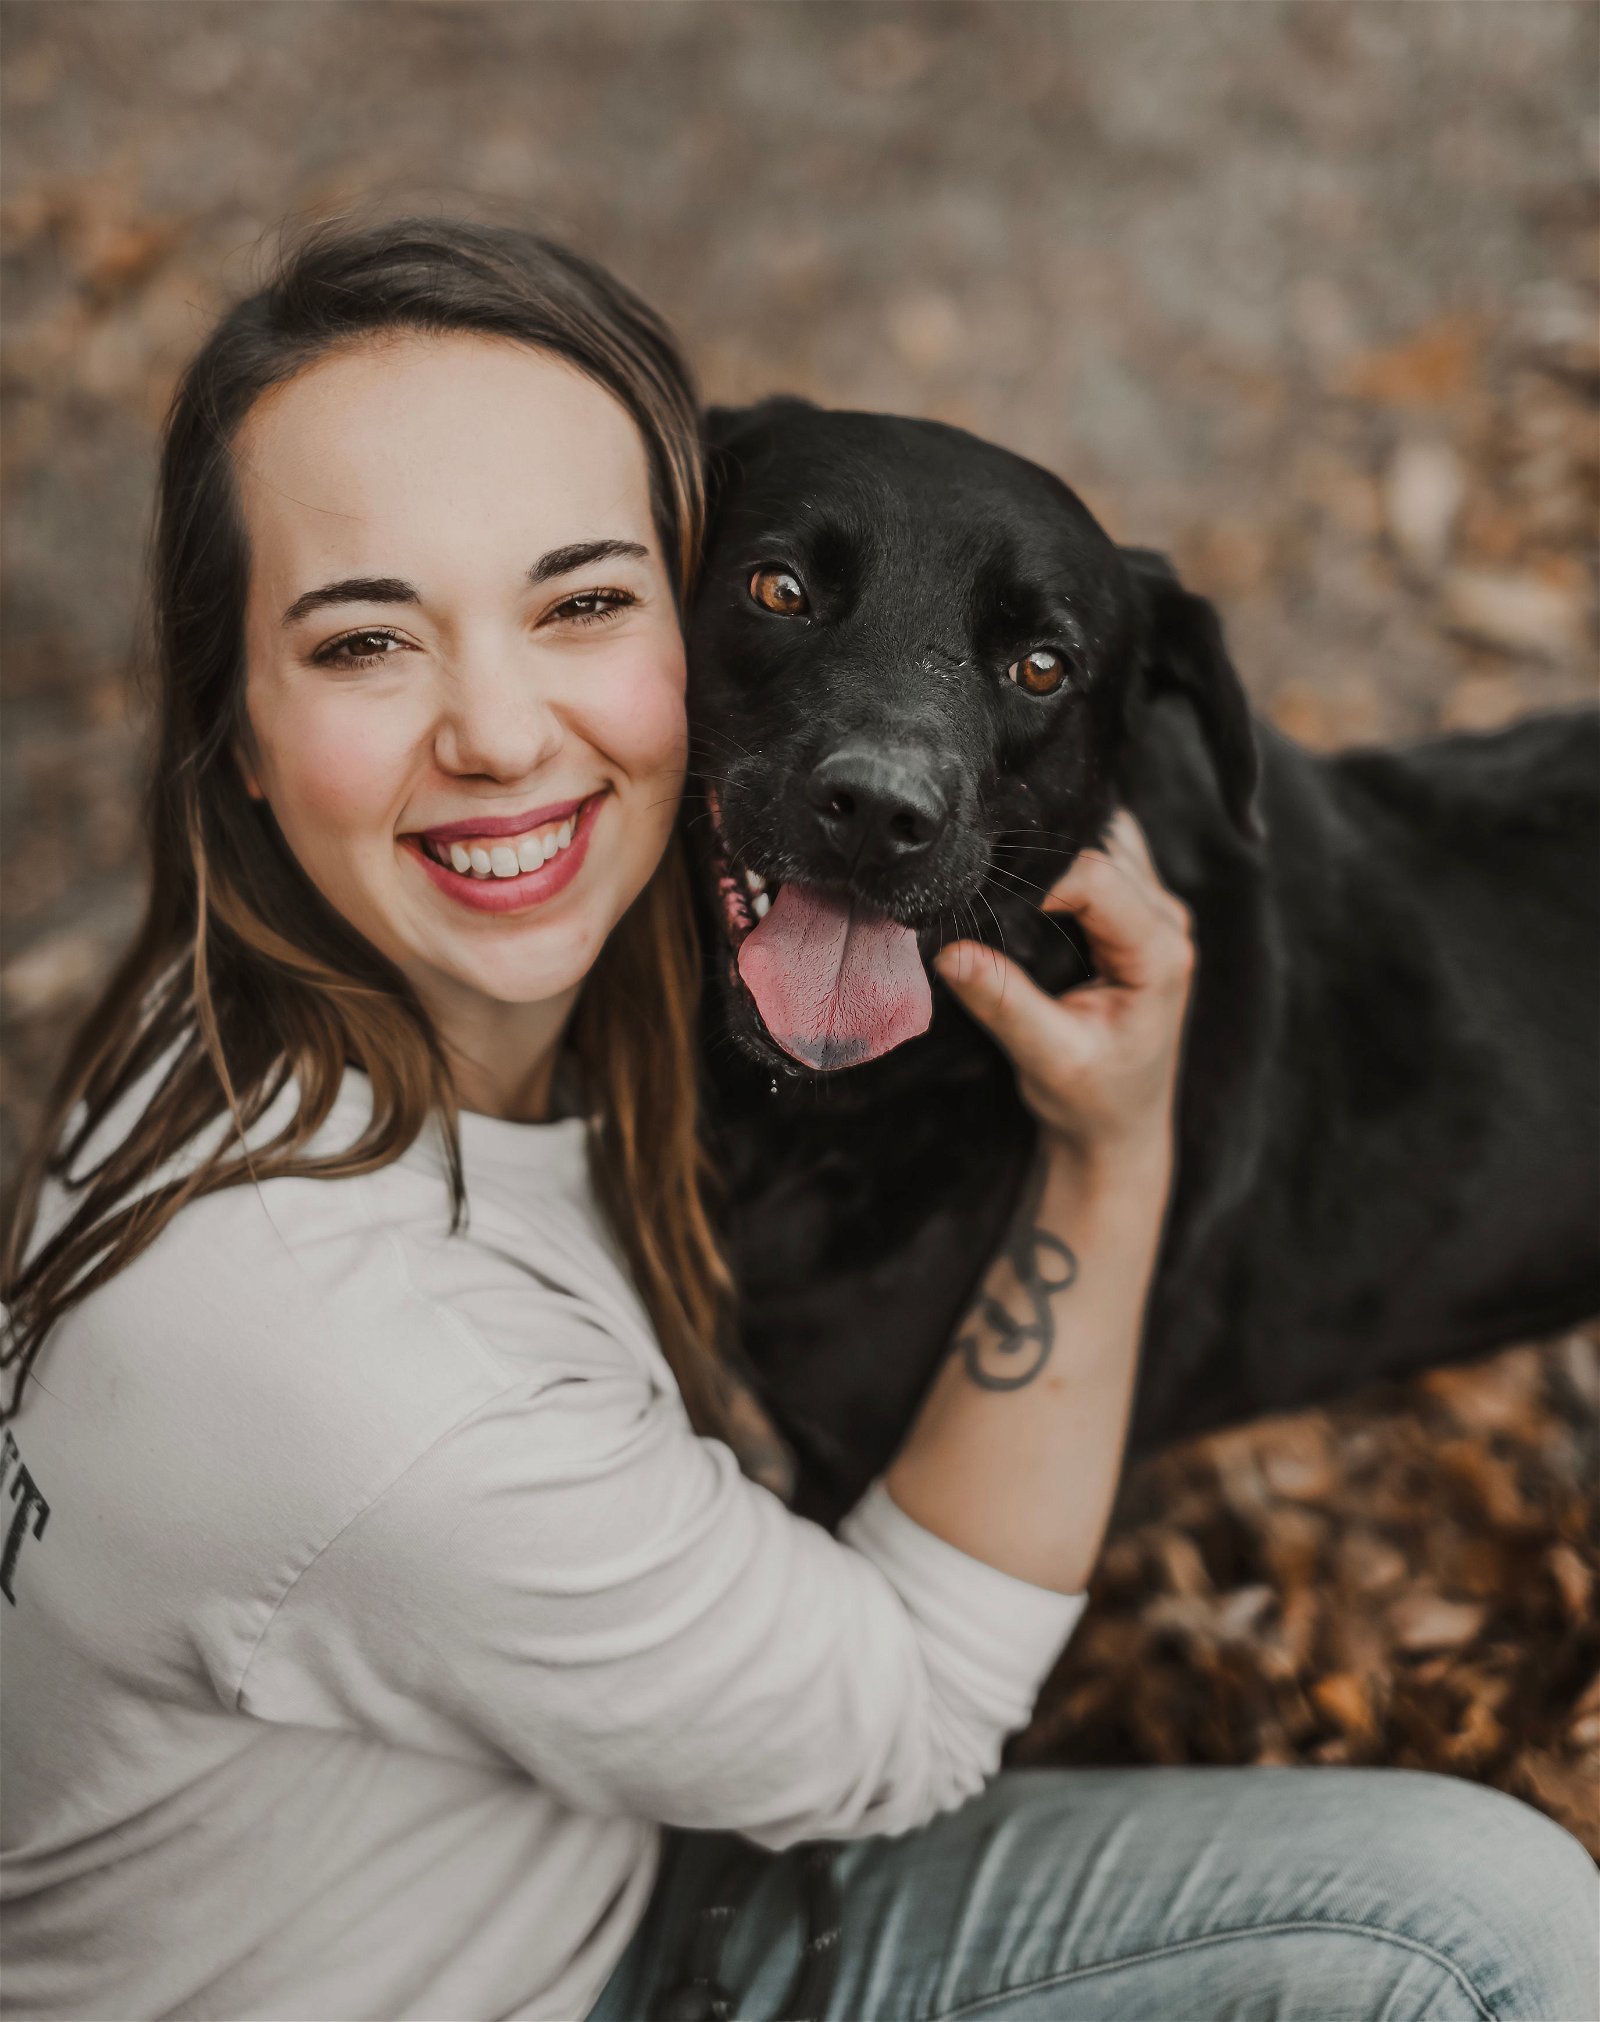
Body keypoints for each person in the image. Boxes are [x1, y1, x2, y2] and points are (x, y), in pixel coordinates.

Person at [0, 218, 1592, 2022]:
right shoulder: (377, 1384)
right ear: (235, 708)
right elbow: (899, 1728)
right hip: (555, 1969)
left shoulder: (211, 1000)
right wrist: (1115, 1153)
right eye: (370, 637)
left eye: (578, 599)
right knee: (1486, 1936)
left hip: (467, 1826)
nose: (507, 735)